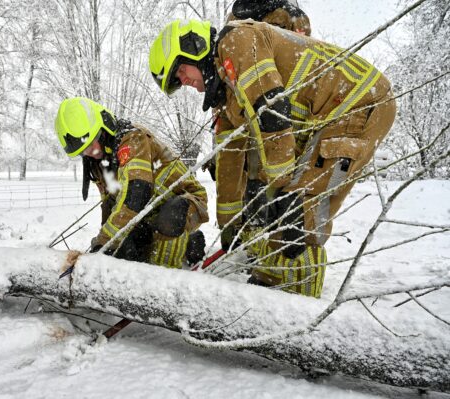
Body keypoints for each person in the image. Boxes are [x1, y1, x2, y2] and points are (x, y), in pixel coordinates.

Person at [148, 19, 396, 297]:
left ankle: (294, 297)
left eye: (181, 70)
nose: (186, 82)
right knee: (286, 206)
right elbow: (230, 162)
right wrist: (230, 226)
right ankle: (277, 286)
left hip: (358, 101)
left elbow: (272, 115)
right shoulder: (228, 96)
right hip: (327, 116)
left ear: (196, 46)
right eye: (179, 82)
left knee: (299, 208)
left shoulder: (237, 41)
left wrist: (278, 189)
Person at [54, 97, 209, 269]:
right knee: (125, 252)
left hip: (184, 203)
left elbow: (136, 195)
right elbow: (110, 205)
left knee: (168, 223)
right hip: (148, 211)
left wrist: (105, 242)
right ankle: (189, 244)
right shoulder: (99, 160)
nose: (90, 152)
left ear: (103, 128)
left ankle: (168, 274)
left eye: (91, 143)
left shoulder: (133, 139)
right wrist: (105, 249)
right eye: (83, 151)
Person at [226, 0, 311, 36]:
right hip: (246, 69)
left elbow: (304, 48)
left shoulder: (294, 16)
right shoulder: (235, 15)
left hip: (245, 69)